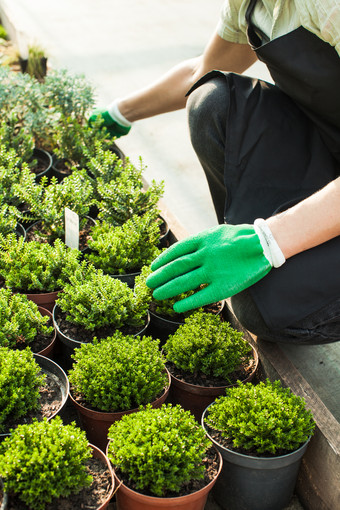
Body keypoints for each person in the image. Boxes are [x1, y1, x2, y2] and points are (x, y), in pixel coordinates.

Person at [90, 0, 340, 344]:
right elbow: (200, 74)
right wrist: (119, 113)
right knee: (213, 100)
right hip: (329, 155)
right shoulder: (251, 5)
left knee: (267, 311)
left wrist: (269, 241)